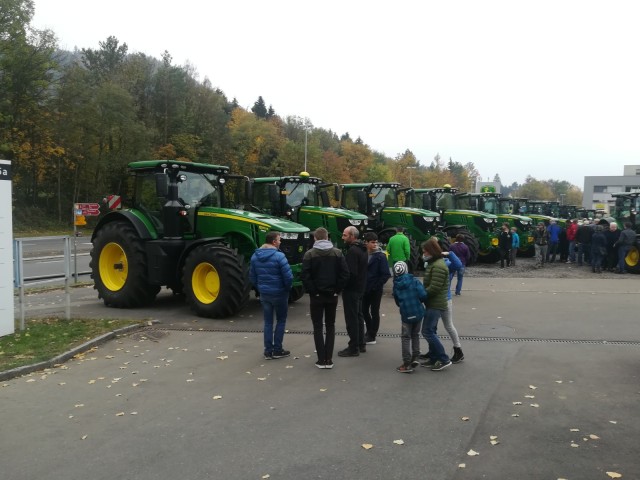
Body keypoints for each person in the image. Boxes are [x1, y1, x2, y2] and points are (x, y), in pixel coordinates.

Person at [301, 227, 350, 369]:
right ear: (327, 237)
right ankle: (329, 359)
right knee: (330, 325)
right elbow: (345, 274)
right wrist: (337, 290)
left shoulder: (309, 254)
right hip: (332, 295)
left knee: (317, 326)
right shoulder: (337, 253)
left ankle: (321, 359)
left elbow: (305, 275)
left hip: (316, 296)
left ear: (315, 238)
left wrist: (313, 291)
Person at [249, 231, 293, 360]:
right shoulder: (280, 256)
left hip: (265, 294)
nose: (280, 242)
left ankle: (268, 351)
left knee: (268, 322)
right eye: (279, 240)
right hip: (280, 293)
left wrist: (260, 288)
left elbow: (252, 277)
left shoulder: (255, 256)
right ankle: (277, 350)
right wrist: (287, 289)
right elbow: (288, 277)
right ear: (274, 242)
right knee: (281, 320)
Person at [419, 237, 452, 371]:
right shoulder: (435, 263)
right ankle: (433, 358)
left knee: (427, 331)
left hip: (435, 304)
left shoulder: (438, 266)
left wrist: (420, 294)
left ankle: (443, 359)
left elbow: (434, 288)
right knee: (431, 330)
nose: (424, 254)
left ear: (431, 251)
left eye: (425, 251)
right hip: (433, 303)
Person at [338, 226, 368, 357]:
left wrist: (341, 286)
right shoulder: (362, 249)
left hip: (352, 289)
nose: (342, 238)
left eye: (345, 235)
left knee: (352, 319)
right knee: (358, 316)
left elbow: (350, 273)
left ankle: (353, 347)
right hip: (360, 288)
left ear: (352, 236)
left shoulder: (352, 251)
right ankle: (361, 344)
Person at [392, 261, 426, 373]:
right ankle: (416, 357)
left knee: (406, 337)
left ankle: (406, 363)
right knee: (415, 334)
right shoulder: (415, 281)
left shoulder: (396, 286)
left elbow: (397, 302)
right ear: (406, 269)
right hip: (418, 312)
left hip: (406, 314)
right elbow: (423, 295)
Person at [362, 232, 391, 345]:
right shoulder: (364, 254)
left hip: (375, 290)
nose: (375, 244)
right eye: (372, 242)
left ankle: (372, 335)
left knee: (374, 311)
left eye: (376, 242)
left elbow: (386, 274)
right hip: (365, 288)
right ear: (366, 243)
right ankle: (369, 331)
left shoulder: (380, 256)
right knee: (364, 310)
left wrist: (375, 286)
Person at [441, 246, 465, 363]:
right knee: (431, 328)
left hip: (443, 299)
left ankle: (457, 349)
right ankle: (457, 349)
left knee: (446, 326)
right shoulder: (434, 264)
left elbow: (458, 264)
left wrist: (449, 253)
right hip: (441, 299)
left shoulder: (446, 264)